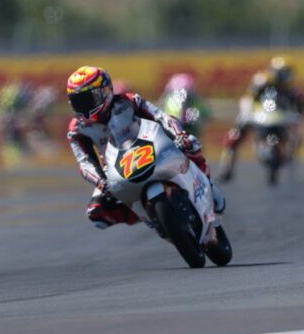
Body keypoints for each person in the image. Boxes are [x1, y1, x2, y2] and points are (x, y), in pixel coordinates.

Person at [65, 66, 225, 229]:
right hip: (115, 168)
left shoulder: (128, 101)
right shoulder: (76, 130)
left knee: (190, 143)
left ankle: (209, 186)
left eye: (88, 99)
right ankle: (147, 214)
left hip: (151, 146)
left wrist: (179, 135)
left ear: (105, 91)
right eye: (78, 102)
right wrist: (101, 182)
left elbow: (160, 116)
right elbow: (85, 162)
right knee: (96, 213)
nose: (84, 107)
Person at [220, 56, 304, 181]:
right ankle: (227, 169)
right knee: (234, 137)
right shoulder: (262, 81)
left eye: (287, 72)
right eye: (283, 72)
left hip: (281, 118)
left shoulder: (293, 88)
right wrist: (246, 112)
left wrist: (300, 117)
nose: (285, 77)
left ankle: (291, 154)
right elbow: (249, 98)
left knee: (299, 132)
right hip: (258, 115)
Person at [159, 73, 210, 138]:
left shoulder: (195, 101)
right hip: (174, 133)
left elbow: (206, 114)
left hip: (189, 133)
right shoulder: (170, 101)